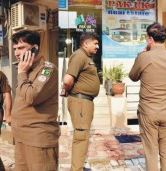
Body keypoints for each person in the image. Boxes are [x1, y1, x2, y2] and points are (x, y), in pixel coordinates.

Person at [129, 22, 166, 171]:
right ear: (165, 38)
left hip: (148, 112)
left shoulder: (144, 57)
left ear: (149, 39)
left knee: (151, 152)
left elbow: (132, 76)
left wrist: (143, 53)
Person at [11, 30, 59, 170]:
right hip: (21, 137)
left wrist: (21, 73)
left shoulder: (47, 69)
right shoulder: (26, 70)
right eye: (15, 49)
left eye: (21, 48)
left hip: (38, 139)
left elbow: (32, 97)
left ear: (35, 48)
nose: (17, 53)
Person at [61, 32, 100, 171]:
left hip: (85, 102)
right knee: (81, 137)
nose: (97, 46)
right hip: (80, 101)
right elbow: (67, 80)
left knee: (83, 136)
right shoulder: (79, 55)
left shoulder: (85, 56)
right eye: (95, 43)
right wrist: (66, 90)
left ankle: (79, 167)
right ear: (86, 43)